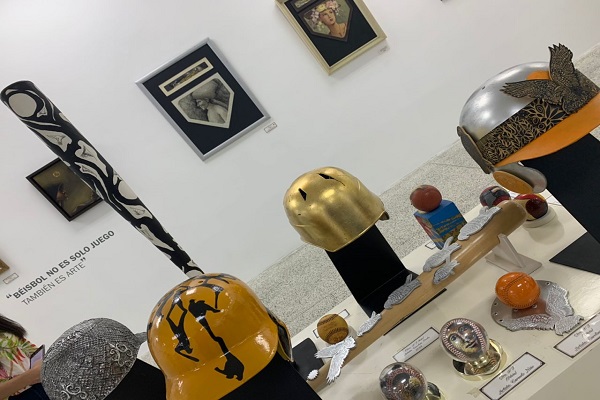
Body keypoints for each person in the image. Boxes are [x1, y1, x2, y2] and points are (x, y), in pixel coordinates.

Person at [0, 315, 49, 400]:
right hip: (19, 396)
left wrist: (42, 360)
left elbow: (24, 345)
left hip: (44, 380)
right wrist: (30, 376)